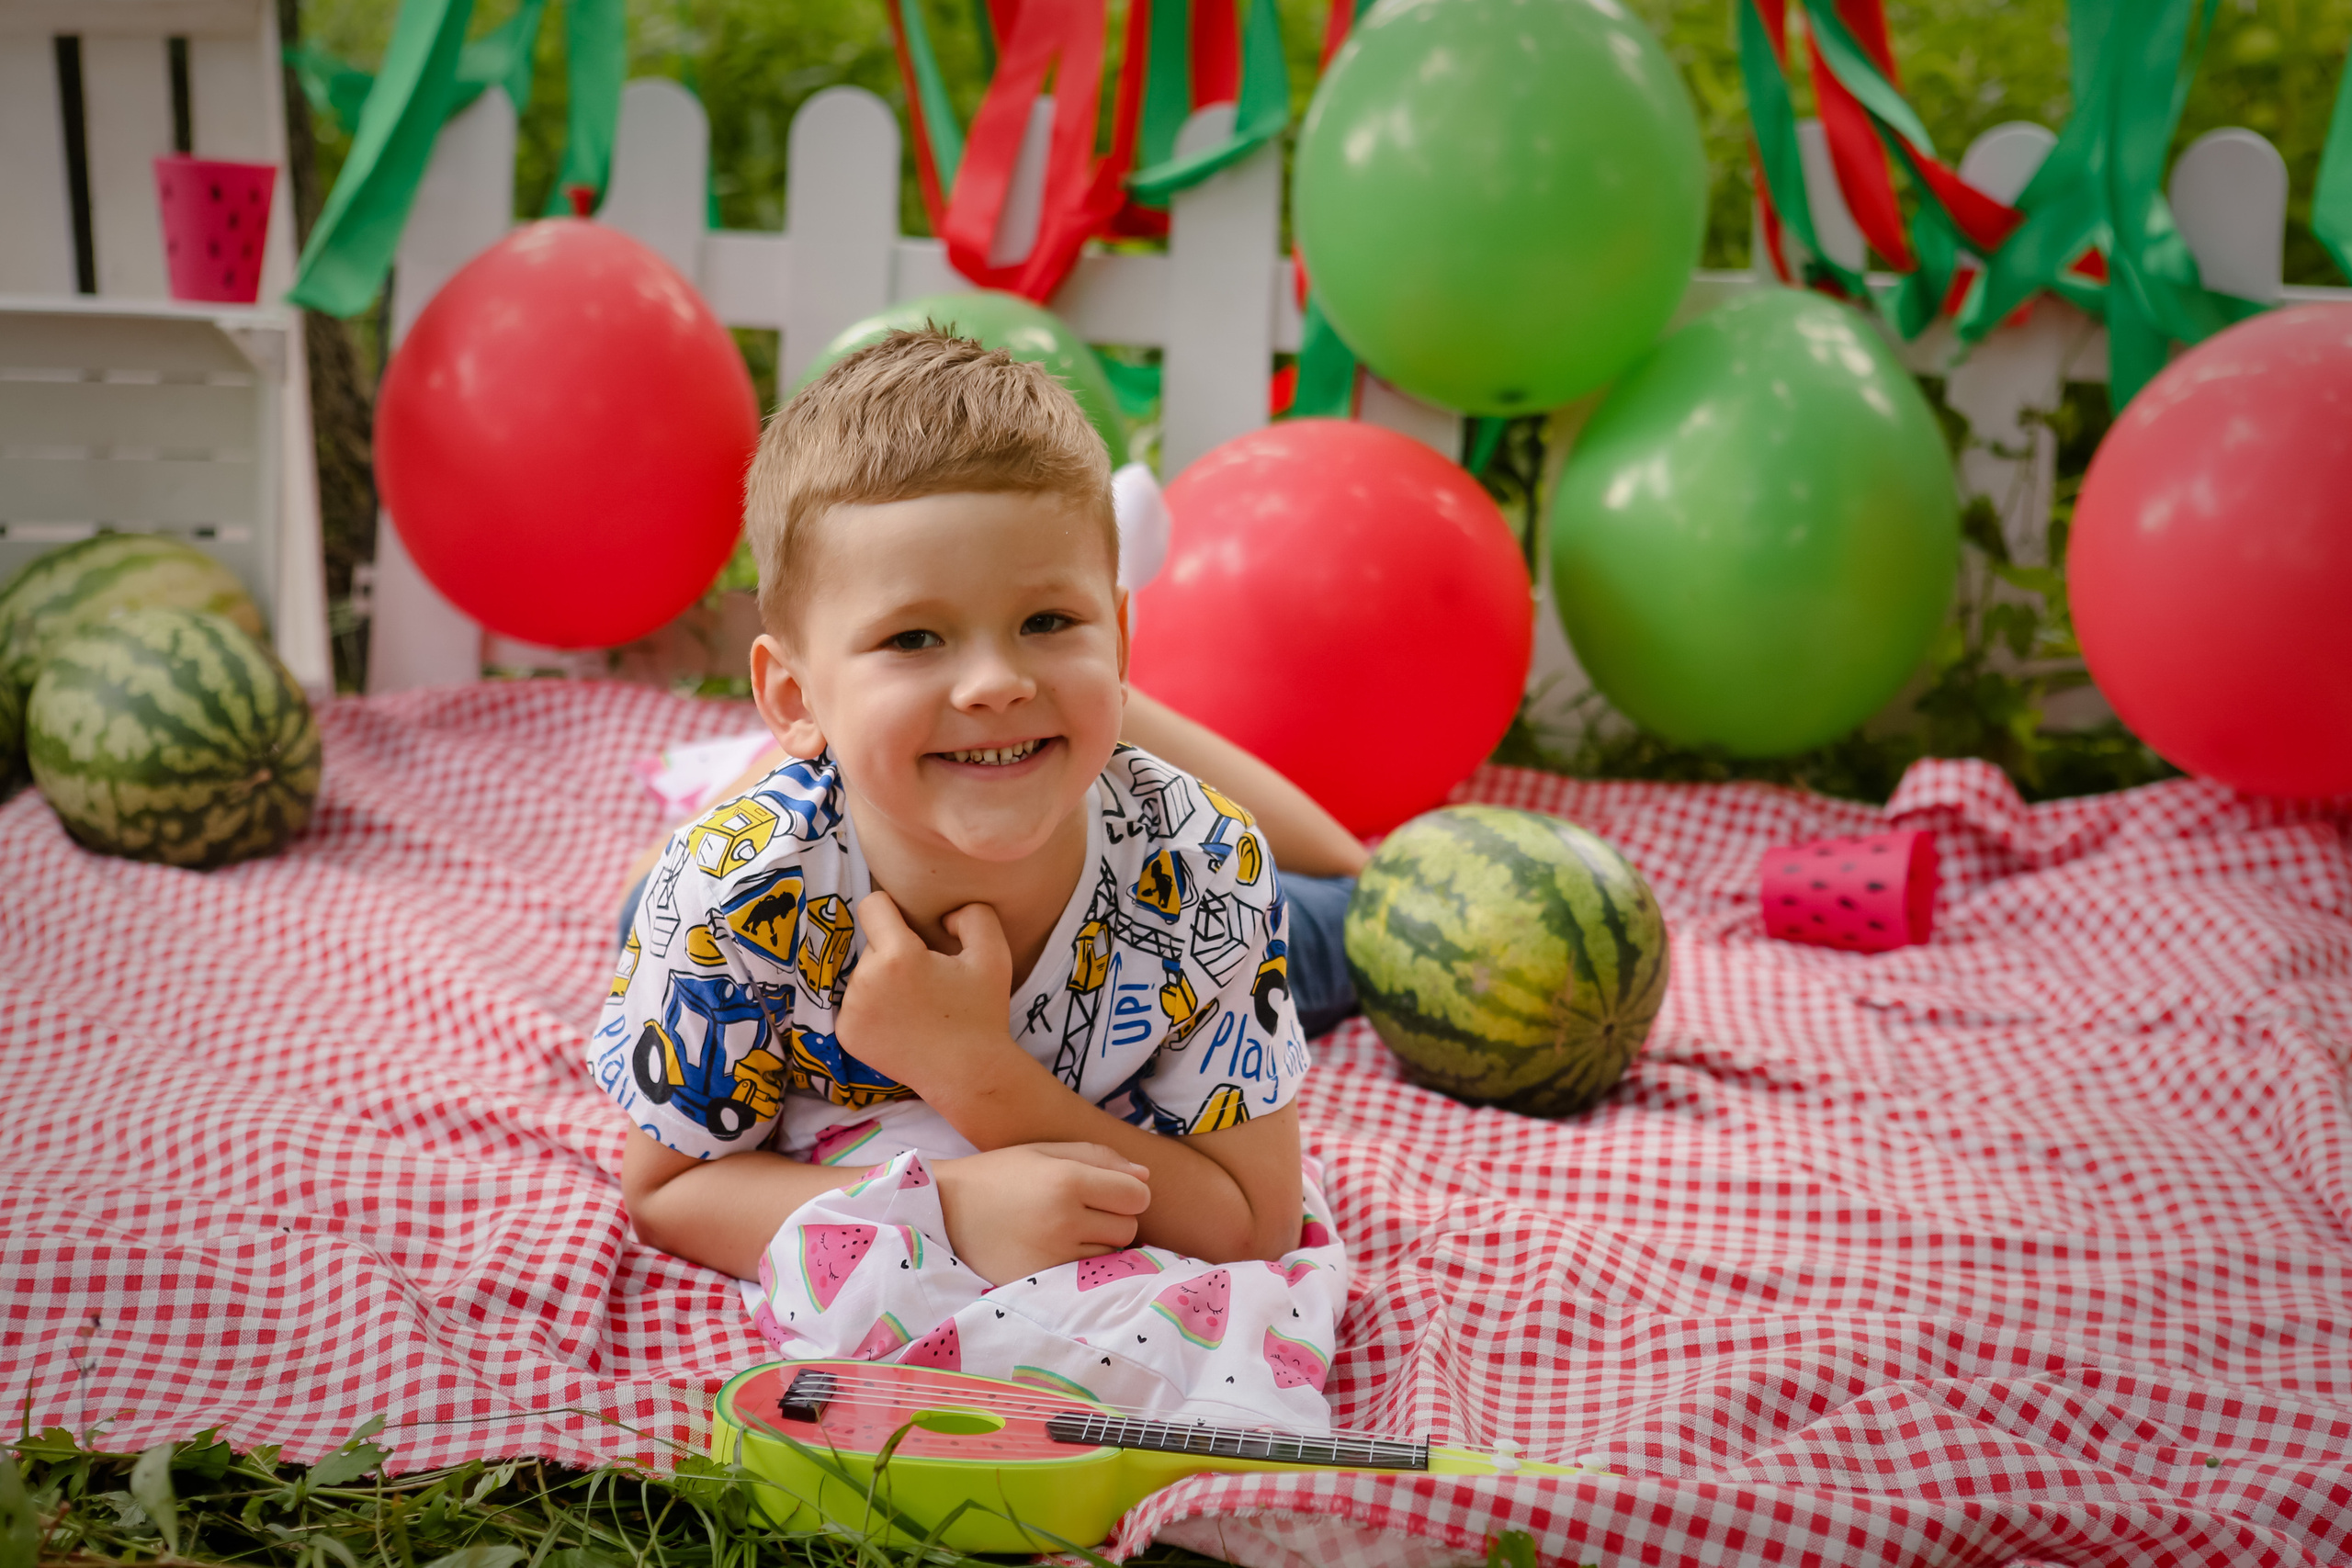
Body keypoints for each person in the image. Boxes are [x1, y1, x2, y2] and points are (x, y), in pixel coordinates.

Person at [591, 330, 1353, 1427]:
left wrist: (979, 1074)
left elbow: (1250, 1225)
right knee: (652, 900)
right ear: (793, 689)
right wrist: (940, 1208)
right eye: (913, 637)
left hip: (1156, 898)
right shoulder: (732, 901)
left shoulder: (1206, 870)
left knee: (1352, 930)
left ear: (1124, 638)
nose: (994, 680)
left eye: (1049, 621)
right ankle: (786, 761)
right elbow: (666, 1191)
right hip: (788, 858)